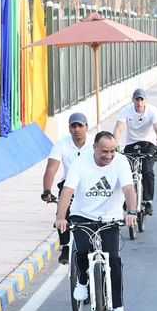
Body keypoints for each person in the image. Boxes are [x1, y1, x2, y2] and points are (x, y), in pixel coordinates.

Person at [55, 132, 137, 311]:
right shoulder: (80, 163)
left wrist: (132, 211)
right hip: (83, 215)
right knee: (82, 249)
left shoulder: (121, 162)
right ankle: (82, 280)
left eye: (112, 151)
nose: (108, 156)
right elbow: (67, 191)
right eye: (104, 152)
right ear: (94, 148)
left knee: (114, 259)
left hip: (110, 217)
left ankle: (117, 307)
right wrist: (60, 217)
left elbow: (128, 188)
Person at [41, 111, 89, 265]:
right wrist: (47, 191)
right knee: (63, 210)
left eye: (80, 125)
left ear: (86, 127)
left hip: (90, 183)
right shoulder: (61, 144)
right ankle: (65, 246)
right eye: (73, 126)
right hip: (69, 184)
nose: (77, 129)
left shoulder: (95, 142)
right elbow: (51, 169)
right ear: (69, 129)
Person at [113, 88, 157, 216]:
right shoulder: (126, 111)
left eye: (142, 99)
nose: (139, 102)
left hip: (149, 144)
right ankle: (127, 198)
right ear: (133, 100)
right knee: (127, 172)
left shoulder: (153, 111)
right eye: (137, 99)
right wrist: (115, 146)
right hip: (132, 144)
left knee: (147, 170)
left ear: (145, 100)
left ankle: (148, 201)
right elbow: (118, 129)